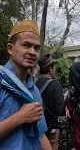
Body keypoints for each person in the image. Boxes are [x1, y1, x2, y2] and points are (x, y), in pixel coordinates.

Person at [0, 20, 51, 149]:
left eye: (36, 48)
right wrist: (20, 117)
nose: (33, 52)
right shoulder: (1, 82)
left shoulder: (34, 90)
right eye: (26, 45)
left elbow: (40, 134)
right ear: (10, 48)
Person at [35, 54, 65, 150]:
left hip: (38, 130)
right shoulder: (55, 84)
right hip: (52, 131)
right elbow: (60, 110)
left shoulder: (34, 84)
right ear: (50, 69)